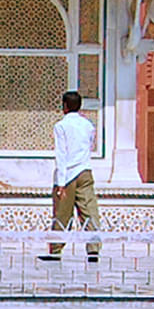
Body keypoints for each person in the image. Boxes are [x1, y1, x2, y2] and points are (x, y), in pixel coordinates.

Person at [45, 91, 100, 264]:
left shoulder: (61, 126)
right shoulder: (88, 125)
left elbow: (61, 154)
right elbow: (88, 146)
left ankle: (56, 250)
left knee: (62, 213)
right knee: (89, 211)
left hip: (67, 174)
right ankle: (93, 249)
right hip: (84, 171)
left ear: (65, 106)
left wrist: (61, 182)